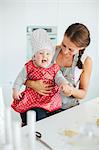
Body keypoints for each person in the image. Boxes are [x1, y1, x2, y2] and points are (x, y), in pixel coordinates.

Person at [26, 23, 92, 110]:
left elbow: (83, 93)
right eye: (64, 45)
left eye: (71, 49)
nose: (65, 51)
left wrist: (71, 90)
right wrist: (34, 84)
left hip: (68, 109)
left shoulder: (86, 61)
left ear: (82, 47)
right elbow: (25, 76)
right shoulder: (49, 52)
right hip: (43, 107)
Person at [11, 28, 70, 126]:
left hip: (49, 101)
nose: (44, 56)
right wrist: (15, 90)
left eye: (48, 53)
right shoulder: (29, 66)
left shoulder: (54, 68)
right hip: (32, 100)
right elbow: (20, 79)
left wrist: (64, 84)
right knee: (31, 114)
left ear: (51, 56)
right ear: (34, 56)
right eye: (41, 53)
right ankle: (27, 121)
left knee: (49, 117)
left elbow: (59, 77)